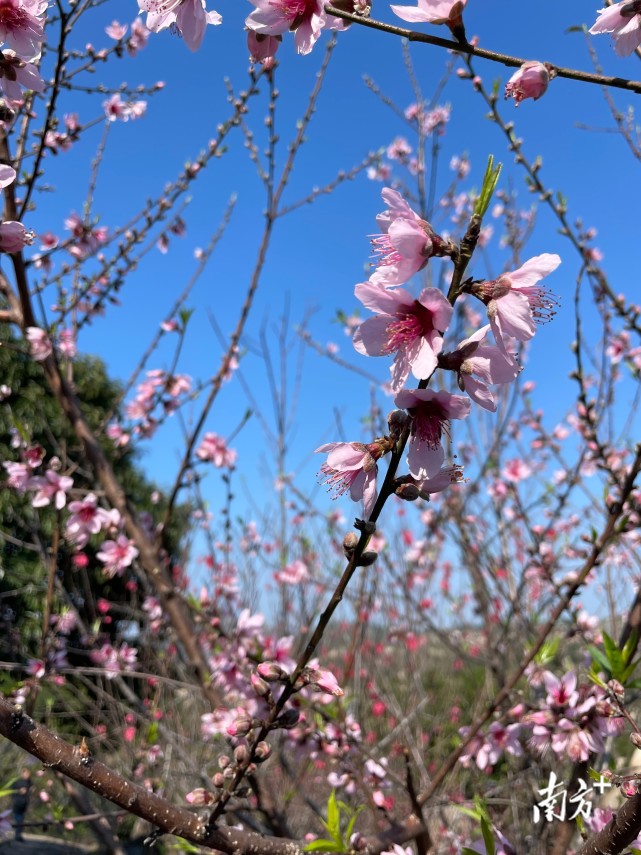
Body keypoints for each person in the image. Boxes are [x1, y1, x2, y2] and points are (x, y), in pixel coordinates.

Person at [11, 768, 31, 842]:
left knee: (21, 821)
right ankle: (17, 835)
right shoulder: (18, 782)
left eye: (28, 773)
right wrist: (19, 791)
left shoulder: (29, 782)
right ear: (22, 774)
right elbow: (12, 791)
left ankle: (18, 835)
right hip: (17, 805)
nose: (28, 775)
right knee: (19, 821)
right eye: (26, 773)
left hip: (24, 806)